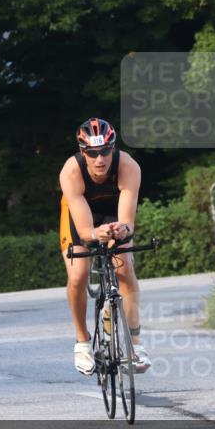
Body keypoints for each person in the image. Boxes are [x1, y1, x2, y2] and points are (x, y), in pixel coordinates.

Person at [59, 117, 151, 376]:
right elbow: (86, 230)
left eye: (105, 151)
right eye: (92, 153)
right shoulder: (71, 172)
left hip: (113, 214)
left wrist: (122, 230)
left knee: (124, 268)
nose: (100, 159)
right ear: (82, 152)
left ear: (113, 148)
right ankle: (82, 341)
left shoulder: (128, 167)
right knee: (78, 273)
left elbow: (127, 222)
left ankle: (135, 343)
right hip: (81, 218)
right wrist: (93, 234)